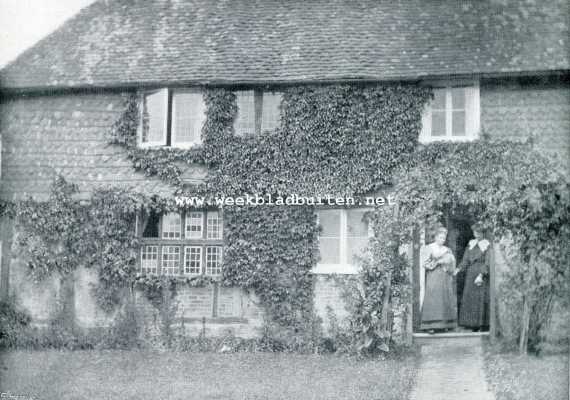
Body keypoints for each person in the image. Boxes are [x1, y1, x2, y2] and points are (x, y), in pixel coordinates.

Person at [420, 227, 458, 333]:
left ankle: (444, 324)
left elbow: (452, 263)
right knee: (433, 297)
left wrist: (447, 262)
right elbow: (425, 263)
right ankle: (430, 325)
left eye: (444, 238)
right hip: (433, 275)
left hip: (444, 276)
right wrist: (436, 262)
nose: (442, 240)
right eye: (440, 237)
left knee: (444, 297)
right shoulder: (429, 248)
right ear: (436, 237)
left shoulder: (447, 250)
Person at [456, 222, 491, 331]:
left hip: (480, 274)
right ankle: (471, 324)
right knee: (470, 298)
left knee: (479, 300)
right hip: (470, 274)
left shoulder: (487, 245)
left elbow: (487, 262)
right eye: (475, 232)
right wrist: (459, 268)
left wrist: (481, 275)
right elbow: (465, 259)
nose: (477, 234)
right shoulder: (471, 244)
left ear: (483, 233)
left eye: (479, 232)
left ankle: (481, 325)